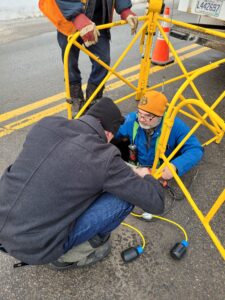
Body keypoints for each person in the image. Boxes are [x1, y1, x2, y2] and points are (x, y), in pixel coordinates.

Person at [0, 98, 164, 270]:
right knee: (124, 199)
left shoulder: (46, 124)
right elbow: (156, 203)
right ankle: (70, 256)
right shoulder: (104, 156)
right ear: (108, 134)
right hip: (38, 247)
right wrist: (145, 176)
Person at [39, 0, 138, 112]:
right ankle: (76, 97)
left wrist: (125, 9)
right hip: (69, 20)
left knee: (103, 61)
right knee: (70, 63)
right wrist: (77, 16)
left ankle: (94, 98)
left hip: (99, 20)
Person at [115, 90, 204, 180]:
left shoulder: (174, 125)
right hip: (138, 167)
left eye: (147, 116)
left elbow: (195, 149)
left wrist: (175, 166)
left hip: (159, 172)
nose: (141, 119)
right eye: (140, 113)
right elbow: (112, 131)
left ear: (159, 116)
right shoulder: (133, 119)